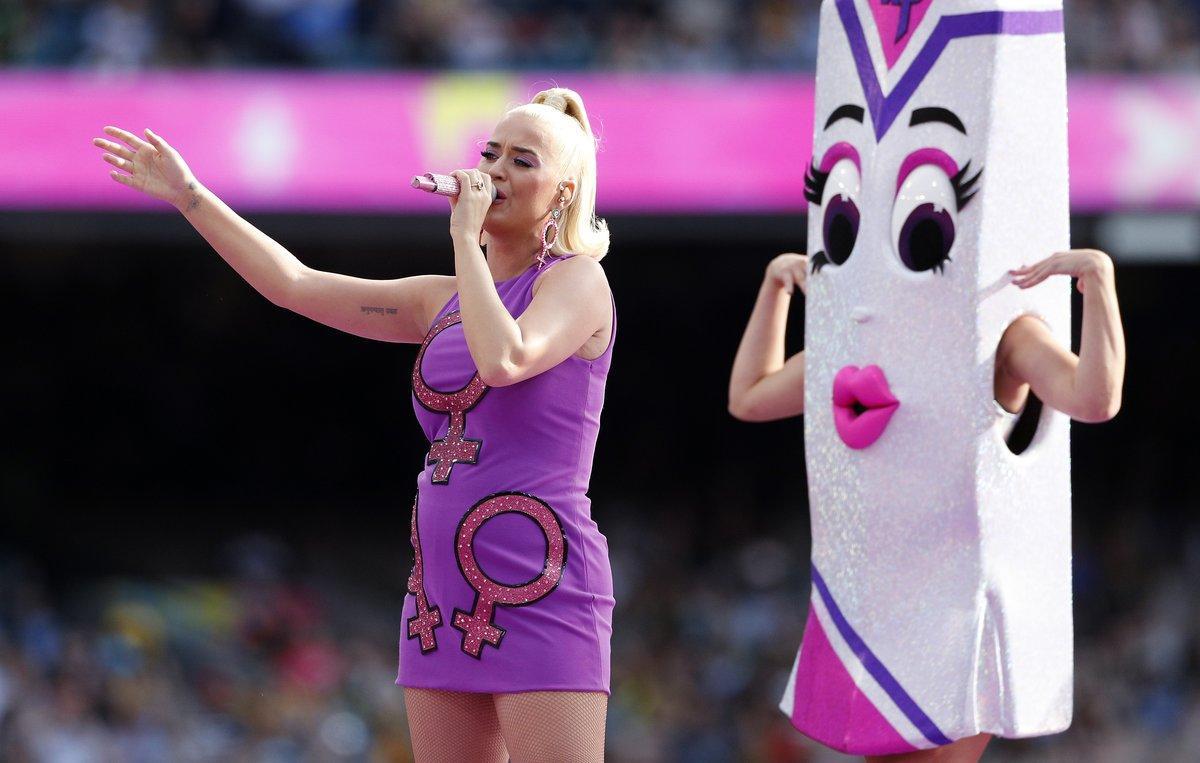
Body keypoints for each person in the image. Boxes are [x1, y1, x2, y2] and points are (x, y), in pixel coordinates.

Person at [92, 85, 616, 762]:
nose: (493, 171)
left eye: (522, 160)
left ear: (565, 192)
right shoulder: (439, 300)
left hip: (540, 577)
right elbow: (297, 284)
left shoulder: (578, 282)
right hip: (441, 590)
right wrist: (192, 196)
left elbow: (505, 355)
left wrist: (464, 234)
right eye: (490, 153)